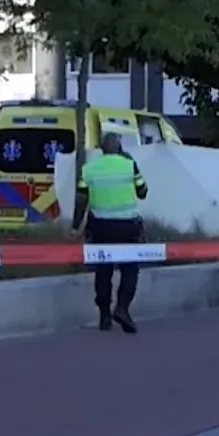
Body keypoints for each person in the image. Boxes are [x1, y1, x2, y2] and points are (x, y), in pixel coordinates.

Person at [71, 133, 148, 334]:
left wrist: (75, 226)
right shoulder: (130, 165)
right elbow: (143, 192)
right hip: (128, 226)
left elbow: (81, 200)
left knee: (103, 270)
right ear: (119, 146)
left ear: (102, 149)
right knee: (130, 269)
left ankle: (104, 316)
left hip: (101, 227)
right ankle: (122, 308)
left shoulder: (89, 169)